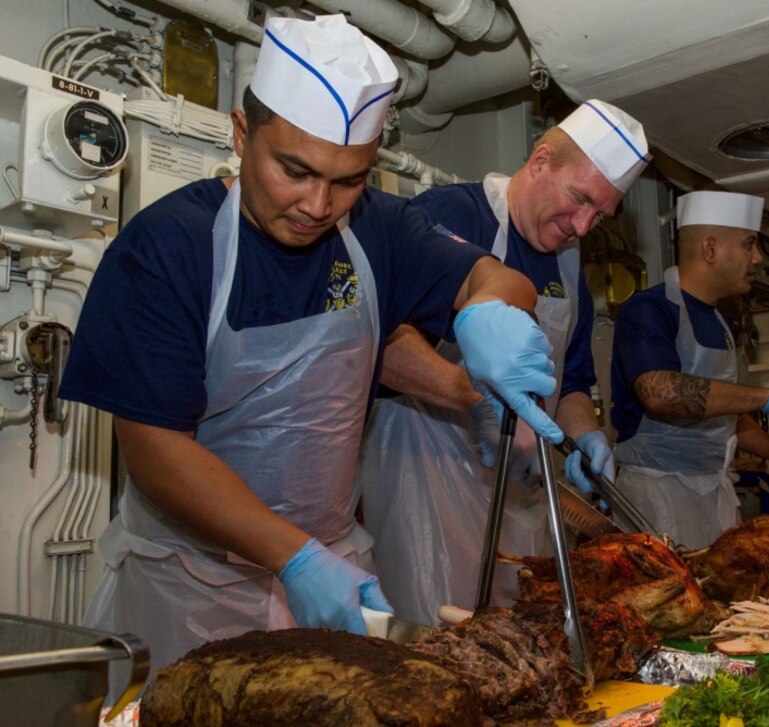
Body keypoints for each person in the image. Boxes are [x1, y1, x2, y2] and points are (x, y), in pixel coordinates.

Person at [58, 14, 562, 680]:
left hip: (334, 576)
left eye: (349, 179)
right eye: (294, 170)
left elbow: (493, 275)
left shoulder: (378, 230)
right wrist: (292, 555)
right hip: (190, 587)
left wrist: (489, 310)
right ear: (242, 135)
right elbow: (153, 449)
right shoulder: (165, 249)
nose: (318, 204)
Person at [360, 100, 651, 625]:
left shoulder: (569, 262)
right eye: (580, 199)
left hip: (520, 498)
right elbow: (377, 346)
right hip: (425, 489)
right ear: (540, 161)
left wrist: (585, 438)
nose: (584, 226)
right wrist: (475, 402)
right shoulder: (452, 214)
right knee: (440, 649)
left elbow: (574, 381)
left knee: (526, 646)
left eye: (600, 216)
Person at [610, 190, 769, 549]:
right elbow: (661, 392)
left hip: (713, 497)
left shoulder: (720, 322)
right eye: (750, 244)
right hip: (655, 499)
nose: (758, 258)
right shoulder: (649, 310)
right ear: (710, 249)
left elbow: (723, 415)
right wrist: (764, 397)